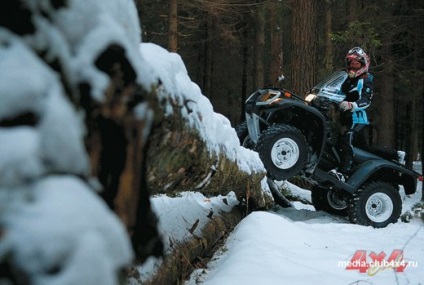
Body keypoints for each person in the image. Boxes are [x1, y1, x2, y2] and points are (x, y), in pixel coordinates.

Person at [337, 47, 374, 175]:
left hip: (357, 118)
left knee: (347, 142)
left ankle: (345, 171)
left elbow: (366, 100)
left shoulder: (365, 80)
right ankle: (395, 155)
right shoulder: (348, 80)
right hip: (345, 117)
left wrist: (352, 105)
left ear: (363, 65)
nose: (353, 66)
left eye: (356, 63)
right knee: (363, 148)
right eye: (351, 63)